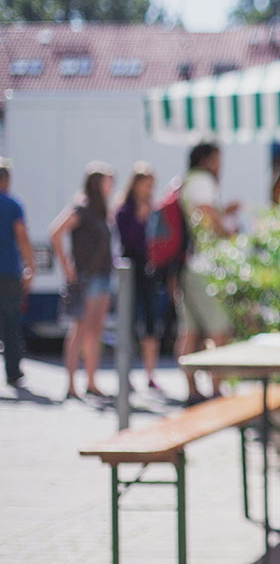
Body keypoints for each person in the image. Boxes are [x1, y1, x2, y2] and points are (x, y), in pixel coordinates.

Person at [177, 142, 237, 404]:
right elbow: (208, 217)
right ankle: (216, 388)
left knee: (190, 331)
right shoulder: (203, 181)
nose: (220, 166)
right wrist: (230, 231)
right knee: (219, 330)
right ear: (207, 160)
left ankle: (192, 390)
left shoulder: (188, 181)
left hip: (187, 265)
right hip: (204, 267)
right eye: (217, 159)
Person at [49, 162, 115, 400]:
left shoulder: (101, 210)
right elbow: (55, 232)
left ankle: (91, 381)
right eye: (108, 181)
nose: (112, 186)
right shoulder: (82, 208)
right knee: (79, 329)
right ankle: (71, 385)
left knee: (95, 330)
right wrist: (67, 268)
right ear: (97, 183)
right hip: (87, 277)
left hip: (104, 276)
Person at [114, 163, 164, 393]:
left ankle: (150, 374)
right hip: (130, 271)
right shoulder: (124, 210)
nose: (149, 189)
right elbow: (128, 240)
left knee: (152, 324)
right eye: (146, 185)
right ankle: (128, 374)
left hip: (149, 271)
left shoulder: (153, 209)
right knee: (130, 323)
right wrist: (140, 219)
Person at [0, 159, 36, 388]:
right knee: (11, 323)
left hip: (9, 270)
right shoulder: (12, 204)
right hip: (10, 271)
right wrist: (30, 266)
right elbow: (21, 236)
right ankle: (13, 372)